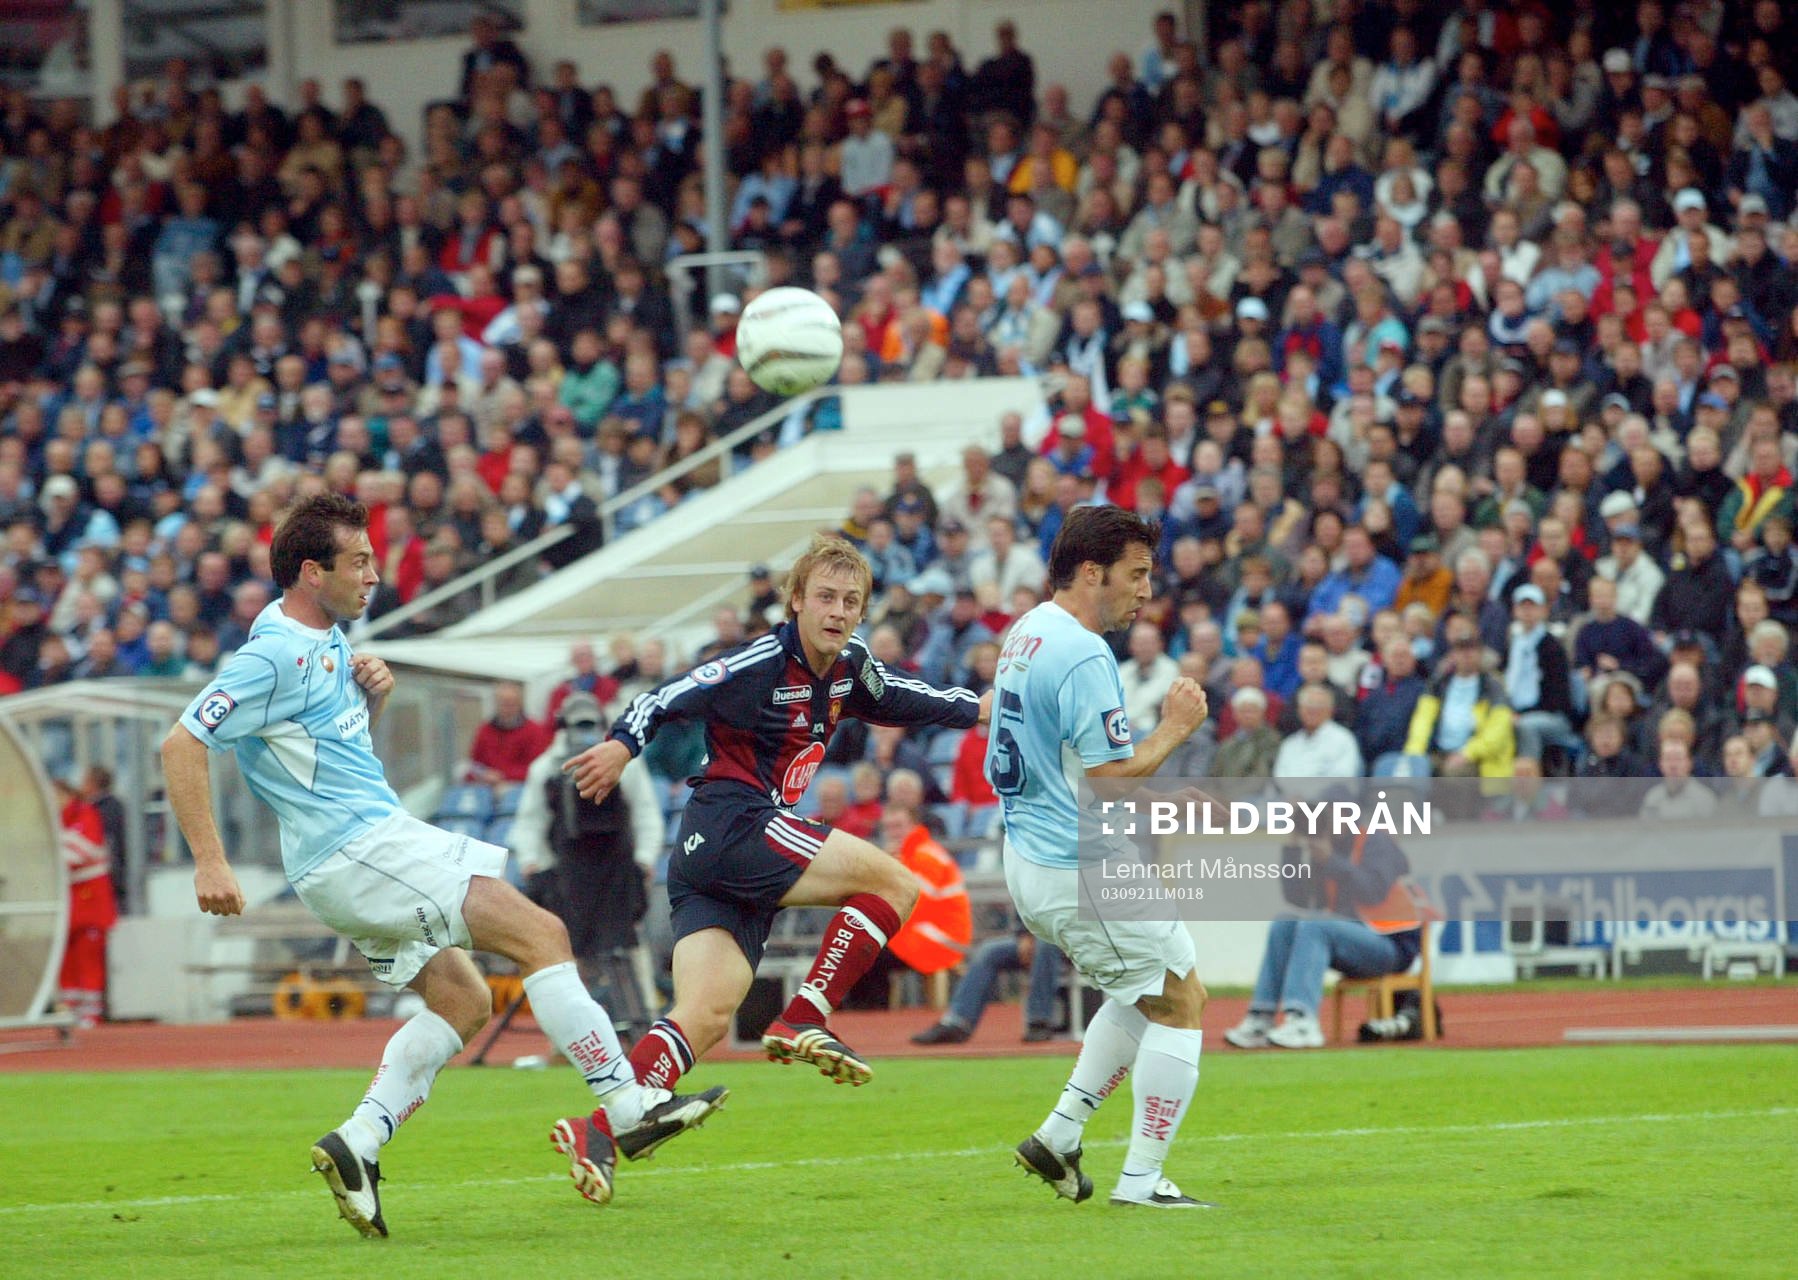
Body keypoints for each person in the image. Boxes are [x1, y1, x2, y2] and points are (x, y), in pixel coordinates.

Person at [161, 495, 723, 1237]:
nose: (374, 574)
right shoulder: (274, 653)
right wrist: (211, 861)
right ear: (309, 571)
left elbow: (322, 758)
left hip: (348, 855)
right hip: (361, 849)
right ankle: (626, 1106)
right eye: (358, 561)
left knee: (462, 1001)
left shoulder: (322, 639)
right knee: (541, 933)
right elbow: (181, 743)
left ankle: (357, 1142)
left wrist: (375, 704)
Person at [564, 534, 987, 1094]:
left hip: (715, 857)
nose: (837, 611)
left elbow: (903, 698)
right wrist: (622, 744)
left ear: (862, 611)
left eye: (850, 601)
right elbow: (665, 696)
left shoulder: (850, 665)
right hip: (733, 824)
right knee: (895, 884)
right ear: (797, 600)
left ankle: (606, 1126)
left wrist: (978, 708)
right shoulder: (759, 663)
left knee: (705, 1017)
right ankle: (806, 1015)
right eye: (826, 597)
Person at [990, 505, 1215, 1210]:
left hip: (1034, 850)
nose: (1147, 591)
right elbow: (1109, 778)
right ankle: (1143, 1181)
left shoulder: (1025, 630)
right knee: (1180, 1000)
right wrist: (1174, 729)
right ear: (1092, 573)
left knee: (1152, 983)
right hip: (1077, 864)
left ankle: (1059, 1135)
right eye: (1137, 574)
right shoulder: (1085, 652)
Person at [1224, 825, 1423, 1050]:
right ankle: (1261, 1017)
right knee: (1285, 921)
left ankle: (1303, 1021)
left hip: (1392, 946)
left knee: (1316, 924)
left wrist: (1332, 861)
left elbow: (1373, 891)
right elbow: (1298, 899)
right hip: (1354, 942)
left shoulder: (1375, 840)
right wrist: (1292, 849)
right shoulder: (1328, 847)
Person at [512, 691, 663, 965]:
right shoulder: (545, 768)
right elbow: (531, 820)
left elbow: (645, 812)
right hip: (568, 873)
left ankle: (640, 1006)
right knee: (569, 954)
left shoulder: (627, 764)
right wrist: (532, 862)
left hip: (618, 870)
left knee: (629, 951)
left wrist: (645, 859)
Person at [911, 921, 1066, 1045]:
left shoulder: (1085, 879)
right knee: (989, 952)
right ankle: (958, 1022)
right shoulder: (1035, 880)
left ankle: (1039, 1021)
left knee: (1046, 944)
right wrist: (1025, 934)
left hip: (1076, 939)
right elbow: (1026, 903)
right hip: (1039, 937)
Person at [54, 773, 116, 1028]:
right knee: (65, 957)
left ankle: (91, 1010)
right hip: (68, 897)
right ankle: (68, 1008)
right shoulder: (56, 819)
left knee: (88, 956)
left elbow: (82, 851)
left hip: (90, 898)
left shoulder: (85, 813)